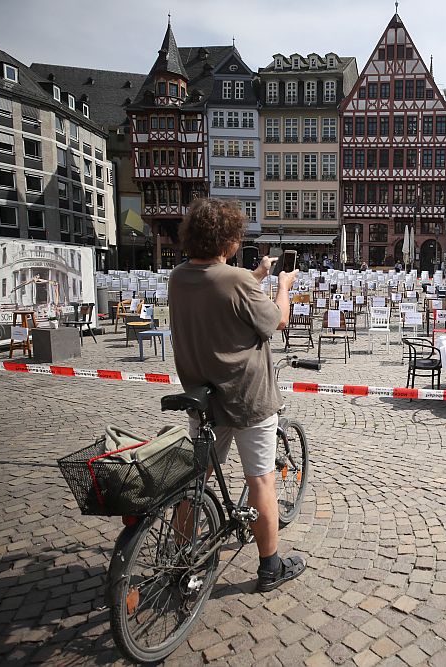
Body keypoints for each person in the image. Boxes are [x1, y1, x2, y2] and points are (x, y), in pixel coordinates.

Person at [168, 197, 305, 592]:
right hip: (246, 397)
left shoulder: (178, 277)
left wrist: (254, 276)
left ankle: (181, 558)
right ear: (228, 240)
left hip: (202, 396)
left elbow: (219, 294)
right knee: (261, 480)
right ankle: (270, 568)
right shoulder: (237, 281)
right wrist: (281, 285)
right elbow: (277, 320)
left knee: (196, 481)